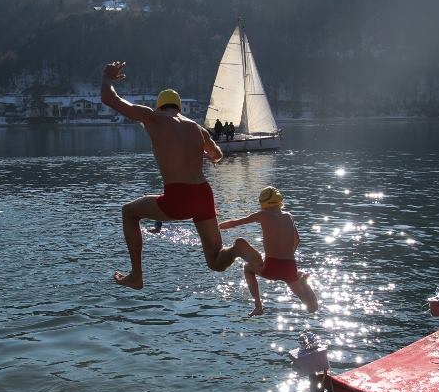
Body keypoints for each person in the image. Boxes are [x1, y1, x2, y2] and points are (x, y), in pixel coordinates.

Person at [101, 61, 245, 290]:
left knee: (129, 212)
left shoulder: (153, 117)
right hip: (203, 194)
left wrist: (107, 79)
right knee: (215, 260)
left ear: (159, 107)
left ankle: (136, 276)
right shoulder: (197, 128)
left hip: (178, 196)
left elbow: (111, 99)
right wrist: (202, 153)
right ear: (179, 107)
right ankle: (237, 249)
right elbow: (217, 155)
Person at [219, 186, 319, 316]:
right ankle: (303, 282)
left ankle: (258, 306)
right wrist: (287, 257)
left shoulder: (262, 215)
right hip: (289, 267)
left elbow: (234, 223)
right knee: (311, 307)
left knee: (248, 268)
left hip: (271, 268)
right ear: (279, 201)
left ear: (263, 203)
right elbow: (297, 240)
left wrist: (216, 227)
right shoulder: (289, 216)